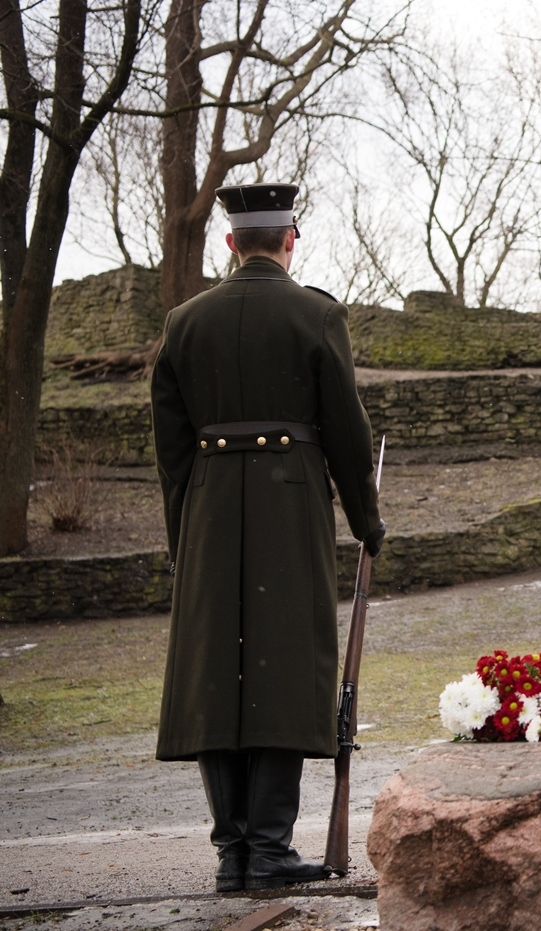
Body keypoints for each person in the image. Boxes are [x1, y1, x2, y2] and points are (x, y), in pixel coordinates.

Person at [151, 183, 385, 892]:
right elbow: (345, 427)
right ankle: (269, 852)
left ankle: (233, 855)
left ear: (229, 244)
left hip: (209, 507)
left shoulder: (184, 322)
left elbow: (170, 446)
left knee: (215, 676)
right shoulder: (316, 314)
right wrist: (365, 519)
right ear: (291, 240)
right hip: (291, 504)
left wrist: (182, 536)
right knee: (285, 666)